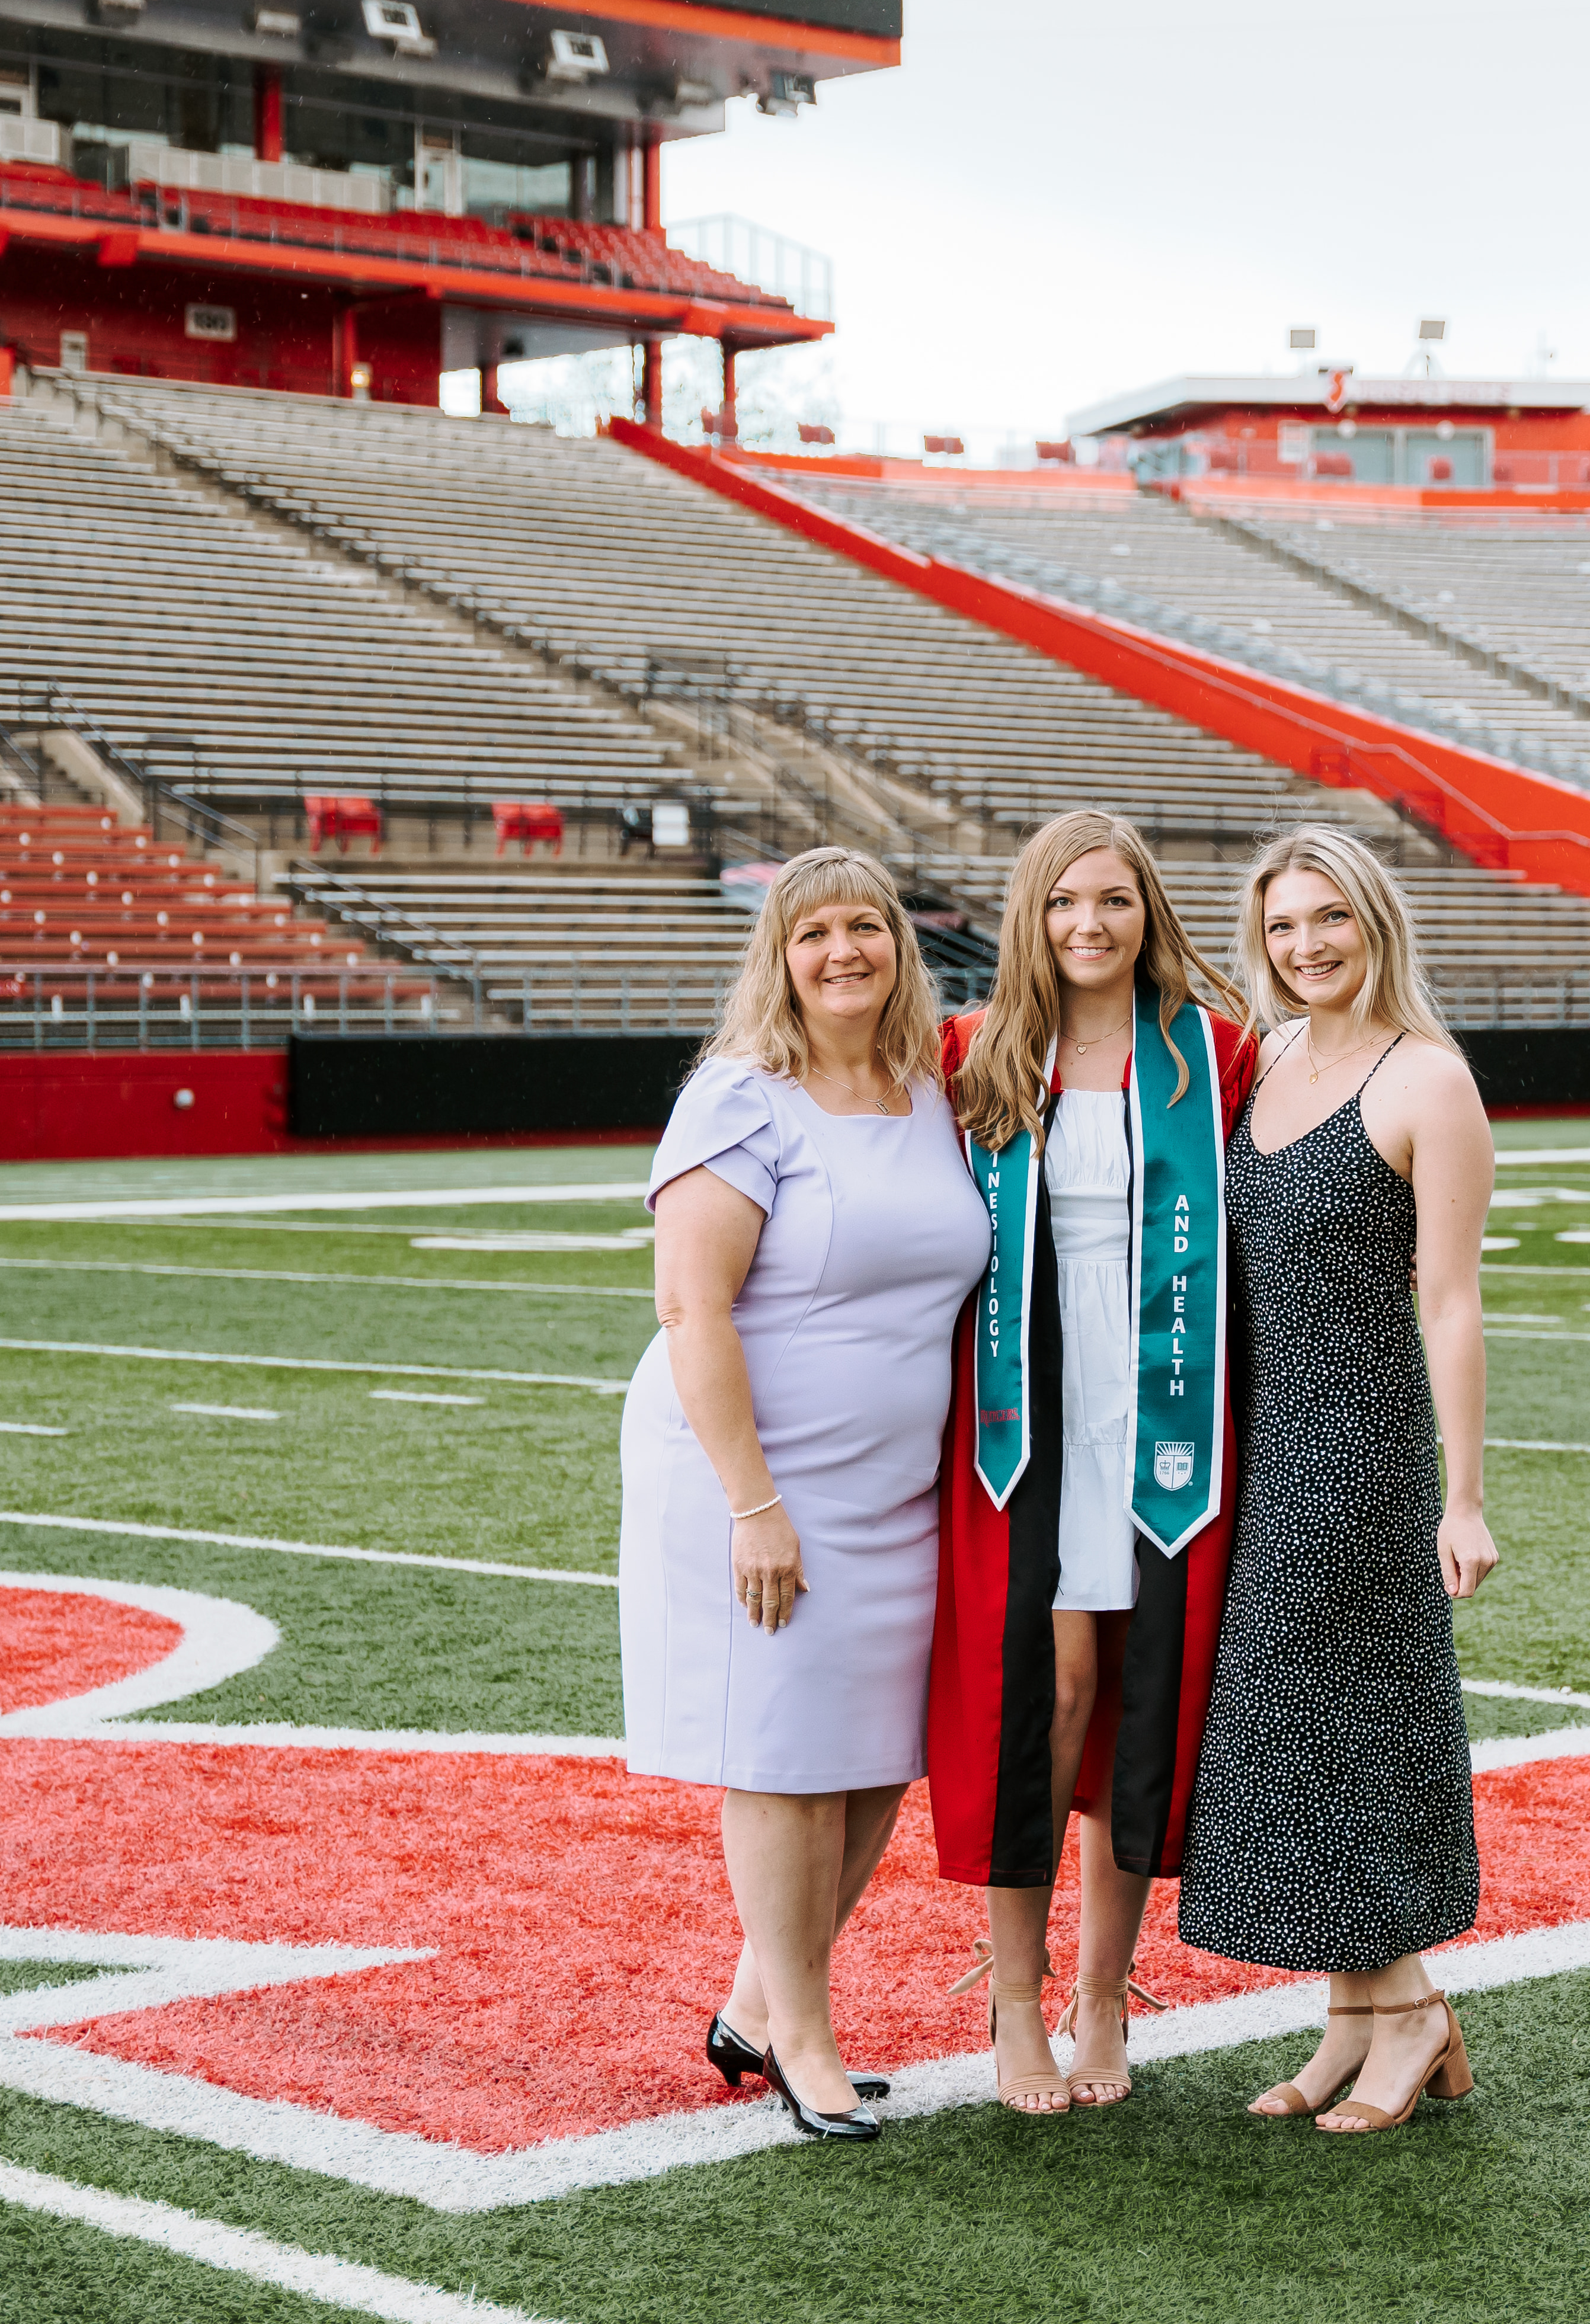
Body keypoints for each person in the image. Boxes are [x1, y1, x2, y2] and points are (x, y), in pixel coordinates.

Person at [621, 846, 991, 2143]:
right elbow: (690, 1306)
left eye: (867, 928)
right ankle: (808, 2038)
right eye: (816, 931)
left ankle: (753, 2001)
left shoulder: (930, 1085)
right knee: (785, 1758)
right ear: (778, 955)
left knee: (880, 1758)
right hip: (757, 1475)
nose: (845, 951)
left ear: (901, 944)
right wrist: (751, 1501)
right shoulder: (739, 1097)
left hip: (897, 1487)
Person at [1176, 824, 1501, 2137]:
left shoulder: (1427, 1077)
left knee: (1354, 1723)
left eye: (1330, 920)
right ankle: (1354, 2017)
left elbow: (1457, 1301)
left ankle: (1410, 2008)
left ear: (1376, 923)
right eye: (1282, 926)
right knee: (1295, 1731)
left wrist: (1462, 1493)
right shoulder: (1268, 1066)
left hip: (1360, 1450)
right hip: (1258, 1450)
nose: (1305, 945)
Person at [931, 811, 1258, 2115]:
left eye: (1114, 901)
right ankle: (1015, 1993)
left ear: (1148, 910)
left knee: (1135, 1696)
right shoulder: (974, 1050)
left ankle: (1105, 1991)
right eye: (1064, 902)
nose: (1089, 925)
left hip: (1167, 1400)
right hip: (1028, 1408)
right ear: (1031, 914)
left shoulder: (1213, 1053)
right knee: (1044, 1693)